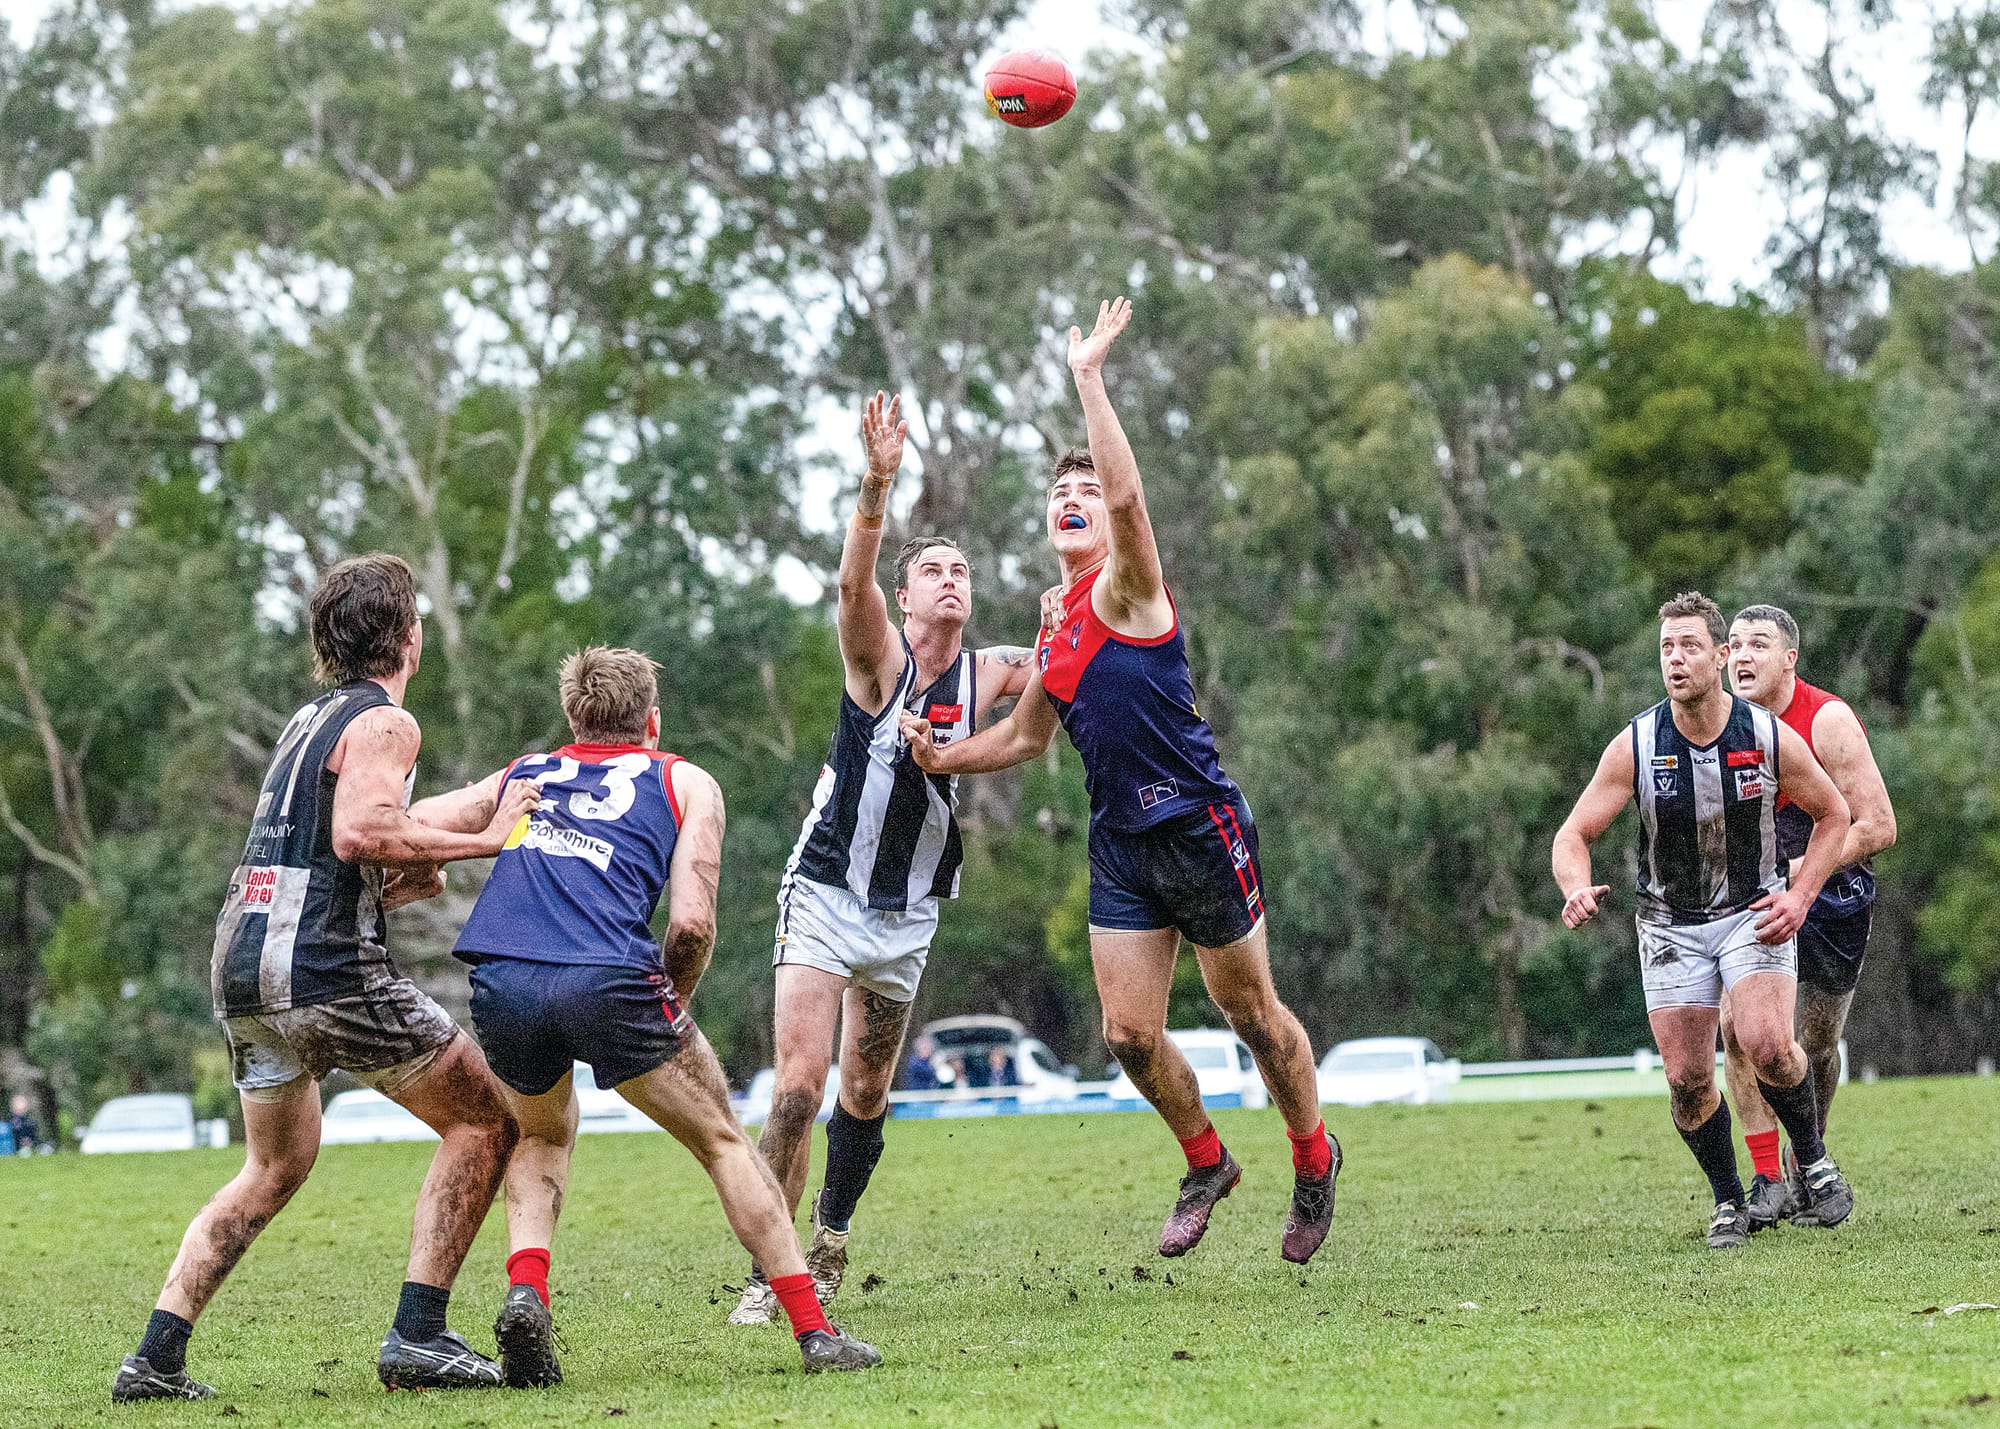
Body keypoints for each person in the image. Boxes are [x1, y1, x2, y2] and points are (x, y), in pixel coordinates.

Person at [902, 299, 1339, 1265]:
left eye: (1088, 489)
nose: (1075, 496)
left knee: (1252, 1017)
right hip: (1122, 843)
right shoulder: (1056, 620)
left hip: (1199, 826)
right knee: (1131, 1035)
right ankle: (1207, 1160)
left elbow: (1135, 507)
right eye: (1061, 489)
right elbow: (1021, 738)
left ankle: (1313, 1156)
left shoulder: (1128, 586)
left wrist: (1090, 378)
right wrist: (941, 756)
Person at [114, 553, 542, 1403]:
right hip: (322, 969)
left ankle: (155, 1356)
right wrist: (489, 840)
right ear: (410, 637)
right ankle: (420, 1332)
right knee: (487, 1119)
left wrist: (471, 807)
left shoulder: (309, 721)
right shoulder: (388, 723)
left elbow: (360, 834)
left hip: (241, 966)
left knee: (273, 1165)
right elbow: (362, 831)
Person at [433, 646, 880, 1384]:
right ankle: (813, 1329)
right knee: (723, 1141)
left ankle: (527, 1291)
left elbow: (418, 817)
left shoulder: (527, 770)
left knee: (541, 1132)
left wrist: (405, 861)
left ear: (573, 716)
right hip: (610, 978)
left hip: (503, 976)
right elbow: (692, 926)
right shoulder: (685, 778)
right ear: (652, 719)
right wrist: (668, 1004)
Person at [731, 392, 1035, 1325]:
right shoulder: (878, 655)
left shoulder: (989, 671)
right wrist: (877, 483)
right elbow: (847, 585)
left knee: (865, 1091)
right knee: (796, 1090)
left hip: (909, 911)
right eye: (934, 569)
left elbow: (1068, 663)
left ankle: (829, 1238)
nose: (951, 578)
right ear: (905, 597)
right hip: (827, 890)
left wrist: (1084, 593)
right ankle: (768, 1272)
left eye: (962, 569)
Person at [1551, 591, 1858, 1249]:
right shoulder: (1636, 743)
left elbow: (1836, 817)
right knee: (1688, 1082)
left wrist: (1799, 897)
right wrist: (1575, 887)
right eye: (1666, 647)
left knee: (1768, 1042)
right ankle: (1728, 1199)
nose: (1676, 659)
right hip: (1669, 923)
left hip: (1754, 911)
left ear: (1719, 656)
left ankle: (1813, 1157)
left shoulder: (1767, 734)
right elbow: (1573, 833)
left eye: (1690, 645)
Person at [1722, 603, 1896, 1228]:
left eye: (1758, 645)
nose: (1741, 656)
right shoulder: (1717, 725)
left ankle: (1805, 1166)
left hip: (1835, 894)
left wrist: (1801, 871)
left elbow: (1879, 825)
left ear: (1789, 658)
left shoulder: (1828, 720)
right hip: (1757, 897)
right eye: (1734, 645)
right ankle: (1766, 1175)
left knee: (1816, 1045)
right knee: (1738, 1032)